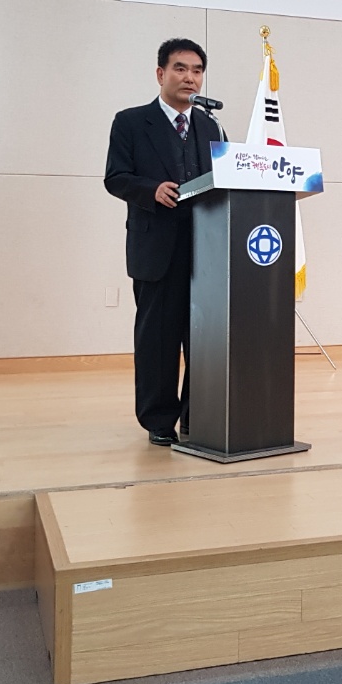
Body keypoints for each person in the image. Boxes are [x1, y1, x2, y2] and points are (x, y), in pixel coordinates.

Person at [104, 38, 224, 446]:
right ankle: (158, 420)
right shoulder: (131, 122)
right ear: (161, 74)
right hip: (156, 249)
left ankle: (196, 416)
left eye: (197, 70)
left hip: (208, 251)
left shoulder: (211, 127)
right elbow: (115, 178)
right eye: (180, 68)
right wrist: (151, 190)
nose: (190, 77)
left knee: (204, 339)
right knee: (158, 339)